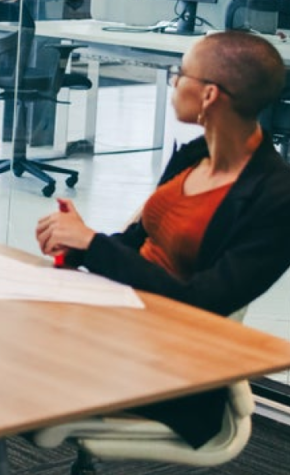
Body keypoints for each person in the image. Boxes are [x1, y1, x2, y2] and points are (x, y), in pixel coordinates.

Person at [35, 30, 290, 449]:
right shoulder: (193, 154)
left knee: (5, 367)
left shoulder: (275, 198)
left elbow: (202, 302)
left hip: (171, 362)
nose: (173, 82)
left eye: (180, 73)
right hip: (118, 321)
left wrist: (94, 245)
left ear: (209, 96)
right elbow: (136, 241)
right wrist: (77, 242)